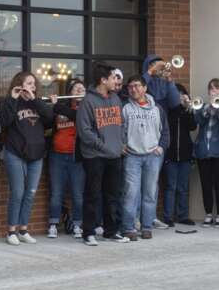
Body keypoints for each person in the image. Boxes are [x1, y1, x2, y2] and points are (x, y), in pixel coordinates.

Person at [0, 71, 54, 245]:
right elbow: (4, 122)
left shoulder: (38, 102)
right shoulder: (11, 102)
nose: (32, 86)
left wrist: (35, 100)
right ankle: (11, 231)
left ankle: (23, 229)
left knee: (30, 193)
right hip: (15, 153)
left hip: (36, 155)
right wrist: (13, 99)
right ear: (20, 84)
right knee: (17, 193)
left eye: (33, 84)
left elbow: (50, 119)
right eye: (29, 83)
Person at [77, 63, 127, 245]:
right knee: (92, 195)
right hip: (94, 156)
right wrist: (104, 146)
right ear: (103, 80)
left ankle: (111, 231)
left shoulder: (116, 99)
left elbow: (121, 124)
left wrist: (121, 143)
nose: (116, 81)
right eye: (113, 77)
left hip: (115, 155)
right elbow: (85, 131)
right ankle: (88, 233)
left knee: (112, 195)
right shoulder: (88, 101)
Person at [121, 74, 169, 240]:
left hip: (152, 156)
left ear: (145, 88)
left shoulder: (157, 109)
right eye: (130, 87)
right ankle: (129, 228)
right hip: (132, 156)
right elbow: (119, 129)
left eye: (137, 86)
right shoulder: (125, 108)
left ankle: (147, 227)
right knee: (131, 193)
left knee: (150, 193)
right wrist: (121, 145)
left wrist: (161, 147)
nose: (133, 89)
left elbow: (165, 131)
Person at [47, 78, 86, 238]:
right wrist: (51, 107)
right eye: (76, 88)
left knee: (77, 194)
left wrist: (57, 105)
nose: (79, 90)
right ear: (70, 92)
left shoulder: (86, 108)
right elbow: (48, 123)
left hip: (76, 157)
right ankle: (53, 224)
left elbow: (77, 116)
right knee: (56, 193)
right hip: (57, 156)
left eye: (82, 88)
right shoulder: (61, 108)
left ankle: (77, 225)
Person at [193, 78, 219, 227]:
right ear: (208, 92)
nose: (214, 91)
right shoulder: (203, 107)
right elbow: (198, 121)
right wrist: (207, 110)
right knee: (206, 184)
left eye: (217, 88)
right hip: (204, 152)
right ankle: (208, 214)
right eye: (211, 88)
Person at [162, 83, 196, 227]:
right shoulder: (168, 110)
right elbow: (169, 123)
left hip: (185, 153)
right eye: (177, 95)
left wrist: (187, 109)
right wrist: (178, 107)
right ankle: (168, 217)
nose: (180, 97)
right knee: (171, 187)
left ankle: (183, 216)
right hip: (170, 154)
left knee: (183, 187)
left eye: (182, 94)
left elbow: (193, 126)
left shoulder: (187, 109)